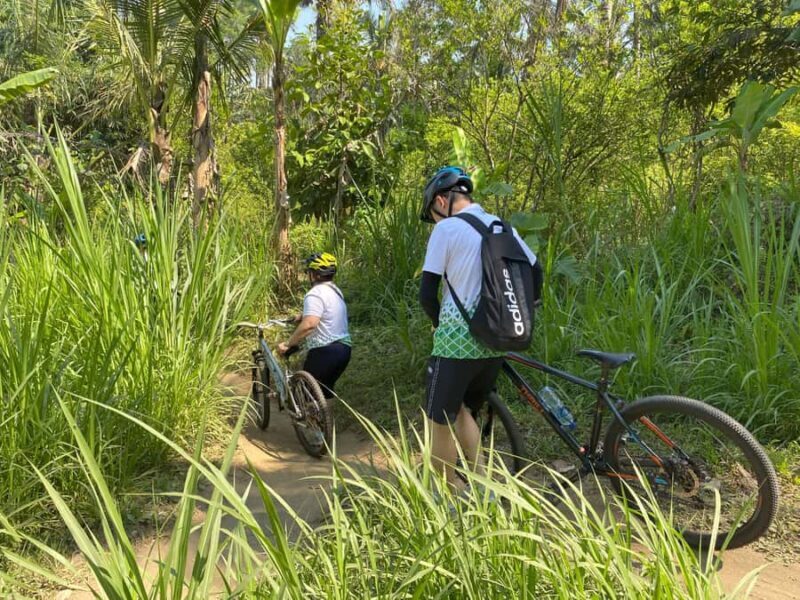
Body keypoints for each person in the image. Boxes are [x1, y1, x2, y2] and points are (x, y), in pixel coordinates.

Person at [418, 166, 542, 491]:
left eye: (434, 214)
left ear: (443, 200)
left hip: (456, 342)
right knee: (462, 409)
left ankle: (443, 492)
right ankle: (481, 484)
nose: (435, 221)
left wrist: (437, 326)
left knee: (438, 419)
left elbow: (427, 294)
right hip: (496, 338)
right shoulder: (502, 226)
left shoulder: (446, 231)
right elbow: (535, 270)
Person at [278, 252, 352, 400]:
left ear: (315, 275)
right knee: (324, 394)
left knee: (305, 396)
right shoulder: (335, 291)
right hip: (344, 350)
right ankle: (327, 422)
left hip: (325, 352)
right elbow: (326, 311)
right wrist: (302, 315)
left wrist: (288, 343)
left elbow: (309, 325)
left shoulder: (314, 294)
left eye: (309, 272)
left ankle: (310, 421)